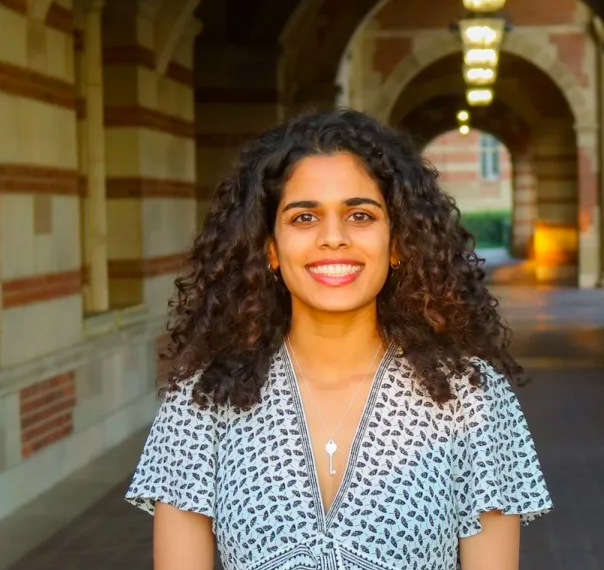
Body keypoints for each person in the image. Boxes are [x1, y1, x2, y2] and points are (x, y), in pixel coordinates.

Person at [125, 109, 553, 570]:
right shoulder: (202, 402)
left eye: (360, 215)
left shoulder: (471, 399)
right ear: (269, 247)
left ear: (397, 243)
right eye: (304, 216)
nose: (334, 238)